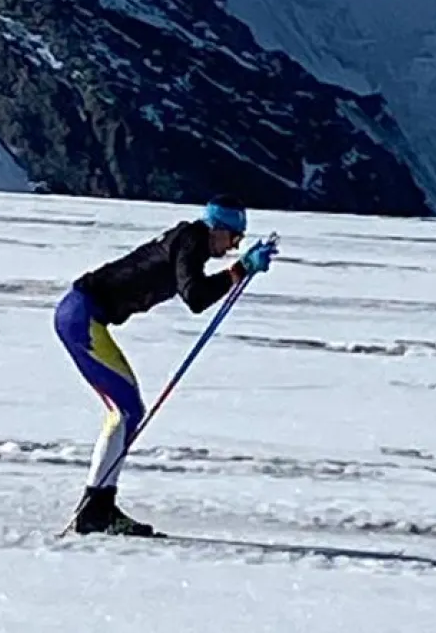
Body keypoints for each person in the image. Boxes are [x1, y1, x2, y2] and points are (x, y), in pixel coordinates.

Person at [52, 194, 278, 536]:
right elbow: (196, 297)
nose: (233, 246)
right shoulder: (191, 241)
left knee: (128, 411)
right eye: (234, 238)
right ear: (218, 229)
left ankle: (100, 506)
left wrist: (239, 269)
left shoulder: (191, 241)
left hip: (81, 315)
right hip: (81, 318)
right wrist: (241, 269)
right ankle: (94, 510)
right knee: (125, 411)